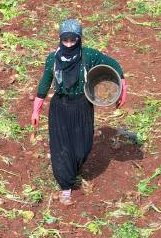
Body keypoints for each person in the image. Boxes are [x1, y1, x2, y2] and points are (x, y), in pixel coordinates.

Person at [31, 19, 126, 205]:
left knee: (83, 147)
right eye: (65, 40)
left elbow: (113, 64)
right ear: (60, 39)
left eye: (72, 40)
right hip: (60, 108)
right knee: (61, 148)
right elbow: (44, 83)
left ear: (79, 39)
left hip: (82, 106)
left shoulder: (88, 56)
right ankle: (65, 186)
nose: (68, 44)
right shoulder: (53, 59)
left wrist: (123, 88)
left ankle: (74, 167)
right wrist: (36, 110)